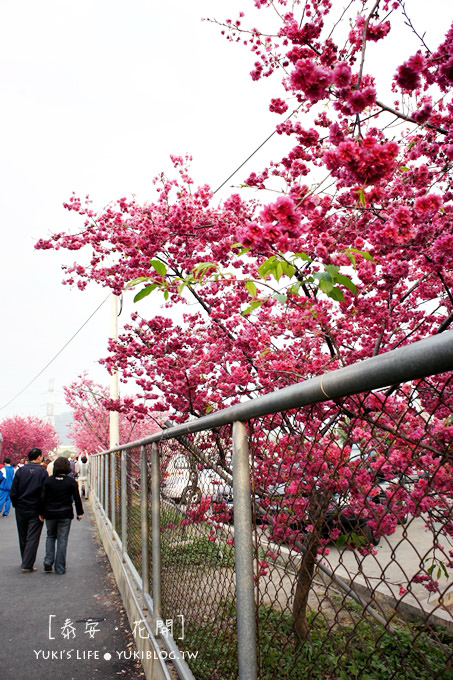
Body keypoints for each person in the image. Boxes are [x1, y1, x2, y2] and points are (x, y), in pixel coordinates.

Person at [39, 456, 84, 574]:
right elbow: (77, 498)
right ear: (67, 467)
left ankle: (48, 560)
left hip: (50, 513)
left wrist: (41, 513)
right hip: (65, 513)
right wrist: (80, 513)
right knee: (62, 540)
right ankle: (60, 567)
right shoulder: (71, 482)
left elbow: (42, 498)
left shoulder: (48, 481)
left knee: (50, 536)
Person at [10, 448, 48, 572]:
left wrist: (16, 504)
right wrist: (43, 511)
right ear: (38, 457)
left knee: (23, 534)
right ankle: (27, 564)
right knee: (33, 536)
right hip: (36, 508)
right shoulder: (42, 472)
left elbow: (13, 491)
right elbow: (44, 493)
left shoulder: (20, 471)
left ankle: (24, 560)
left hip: (21, 507)